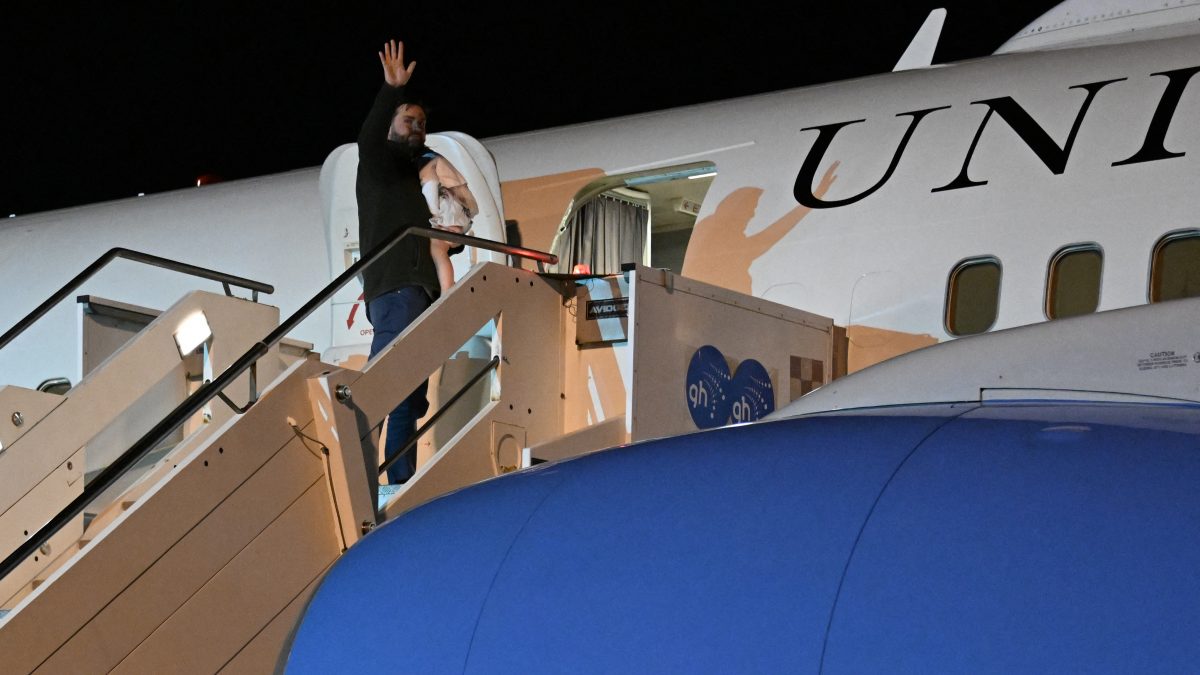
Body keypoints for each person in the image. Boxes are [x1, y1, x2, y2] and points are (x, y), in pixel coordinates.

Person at [356, 39, 461, 484]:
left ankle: (399, 478)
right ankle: (364, 475)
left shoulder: (412, 182)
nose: (416, 127)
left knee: (411, 392)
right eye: (408, 120)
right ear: (391, 125)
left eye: (421, 123)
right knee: (388, 384)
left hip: (417, 292)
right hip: (396, 288)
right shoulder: (378, 166)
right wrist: (390, 92)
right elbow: (370, 138)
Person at [420, 152, 479, 291]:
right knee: (440, 250)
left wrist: (435, 217)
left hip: (448, 215)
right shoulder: (436, 160)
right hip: (457, 217)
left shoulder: (425, 164)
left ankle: (447, 288)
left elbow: (430, 188)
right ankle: (447, 286)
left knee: (437, 250)